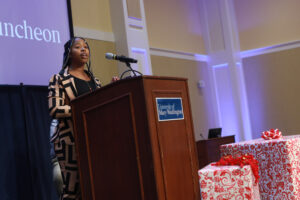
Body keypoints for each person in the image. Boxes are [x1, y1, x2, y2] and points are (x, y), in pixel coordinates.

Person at [48, 37, 102, 200]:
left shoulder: (95, 81)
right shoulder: (58, 79)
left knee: (96, 186)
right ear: (69, 53)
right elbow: (55, 109)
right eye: (78, 47)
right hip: (70, 143)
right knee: (72, 192)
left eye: (86, 47)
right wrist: (82, 110)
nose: (84, 50)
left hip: (95, 142)